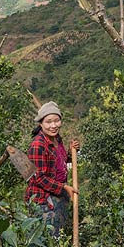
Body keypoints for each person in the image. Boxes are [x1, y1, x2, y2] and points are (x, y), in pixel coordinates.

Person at [25, 101, 78, 236]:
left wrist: (71, 152)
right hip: (43, 201)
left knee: (58, 236)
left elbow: (59, 163)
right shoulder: (38, 145)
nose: (53, 126)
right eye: (48, 122)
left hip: (58, 196)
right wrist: (65, 187)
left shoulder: (56, 139)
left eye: (56, 121)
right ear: (41, 124)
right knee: (47, 240)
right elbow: (40, 178)